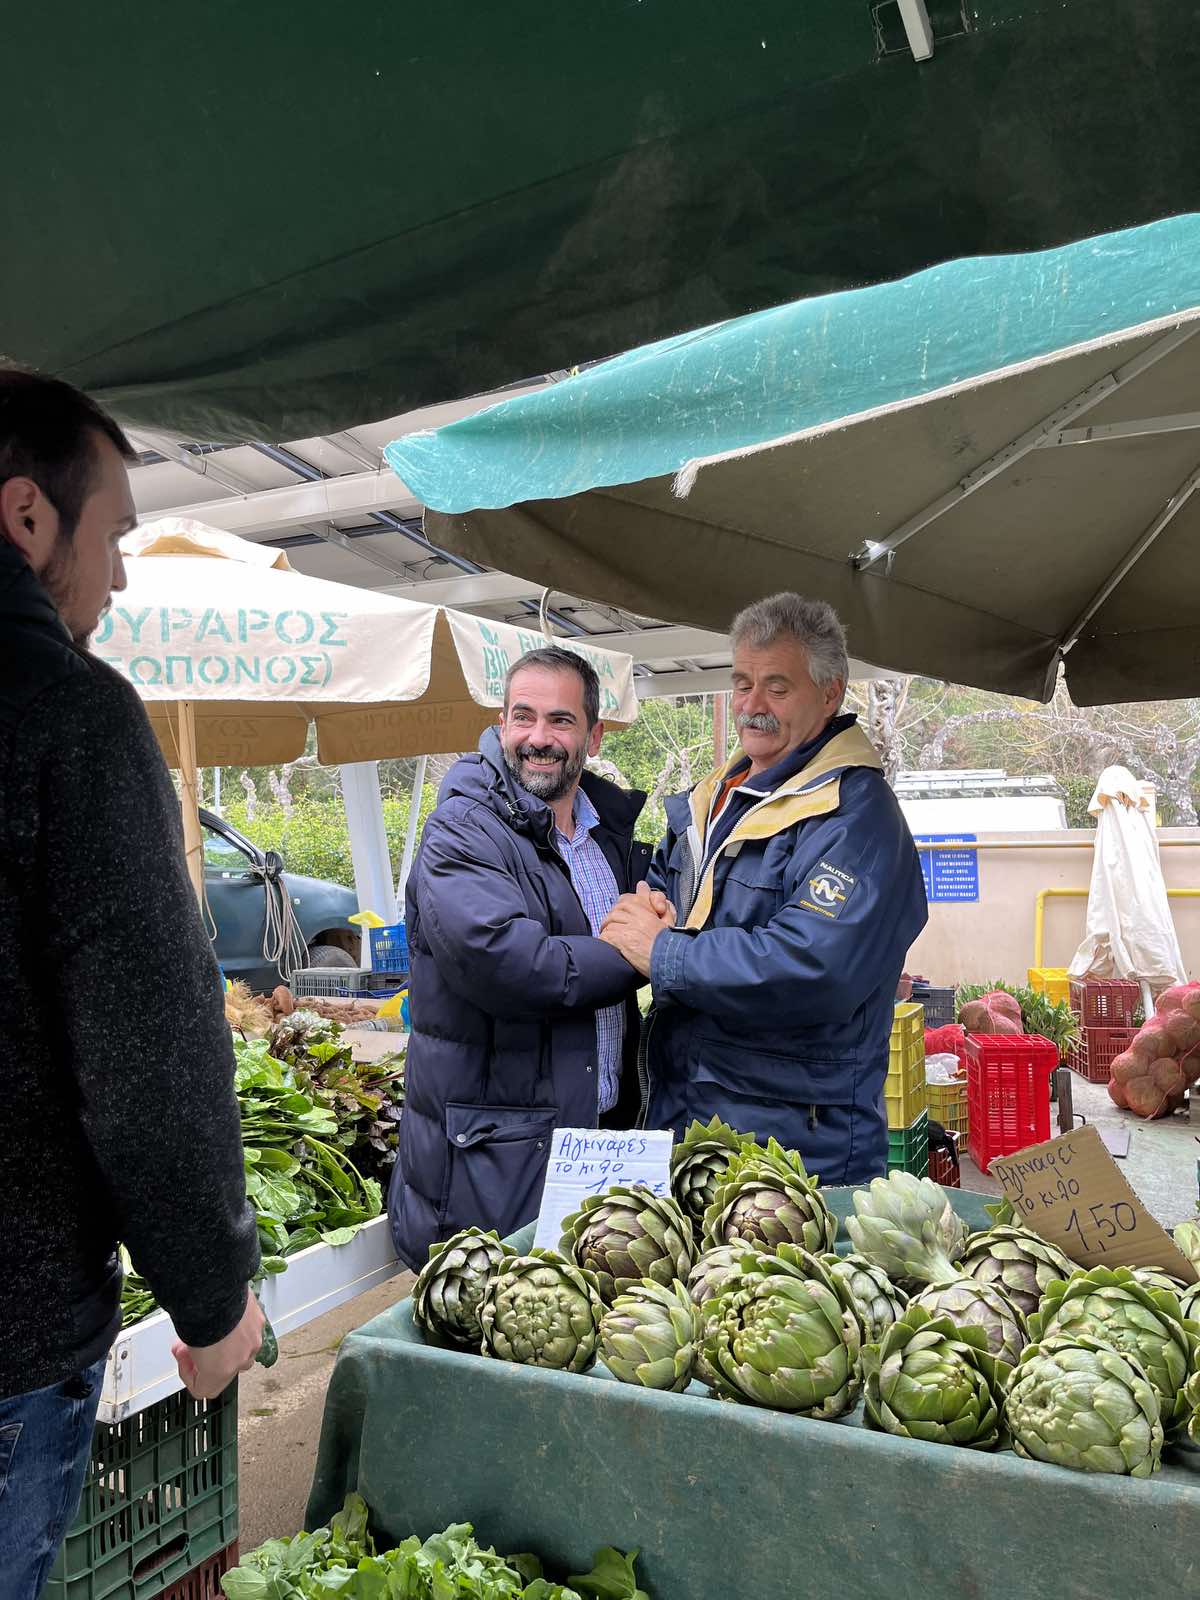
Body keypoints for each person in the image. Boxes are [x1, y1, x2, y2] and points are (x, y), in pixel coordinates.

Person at [0, 368, 263, 1599]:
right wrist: (214, 1304)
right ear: (26, 515)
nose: (119, 577)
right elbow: (149, 1059)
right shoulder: (66, 712)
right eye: (114, 534)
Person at [601, 592, 928, 1184]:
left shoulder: (856, 815)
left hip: (794, 1146)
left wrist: (663, 950)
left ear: (830, 694)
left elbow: (814, 965)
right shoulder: (718, 795)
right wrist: (651, 904)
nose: (753, 705)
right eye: (742, 682)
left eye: (777, 687)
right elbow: (670, 894)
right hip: (693, 1120)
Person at [389, 646, 652, 1269]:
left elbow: (655, 908)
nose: (539, 737)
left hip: (598, 1136)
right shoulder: (462, 827)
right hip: (495, 1158)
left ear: (594, 732)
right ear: (502, 723)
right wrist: (640, 954)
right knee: (486, 1340)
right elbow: (505, 962)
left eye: (560, 720)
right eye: (522, 716)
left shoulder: (603, 837)